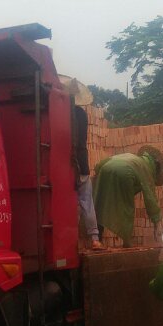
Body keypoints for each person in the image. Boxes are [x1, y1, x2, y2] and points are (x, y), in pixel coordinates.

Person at [93, 146, 163, 248]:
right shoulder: (146, 169)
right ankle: (126, 242)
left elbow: (100, 165)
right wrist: (157, 223)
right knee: (127, 208)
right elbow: (150, 199)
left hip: (105, 169)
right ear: (155, 169)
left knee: (100, 205)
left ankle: (97, 240)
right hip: (124, 174)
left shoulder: (132, 158)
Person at [73, 105, 105, 250]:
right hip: (82, 163)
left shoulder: (59, 111)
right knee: (87, 202)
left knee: (70, 204)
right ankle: (94, 239)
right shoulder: (81, 113)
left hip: (65, 166)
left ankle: (72, 241)